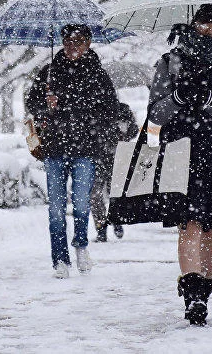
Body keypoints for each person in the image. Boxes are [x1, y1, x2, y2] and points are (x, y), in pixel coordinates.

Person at [147, 3, 212, 326]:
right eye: (204, 25)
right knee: (188, 222)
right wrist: (179, 97)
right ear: (194, 25)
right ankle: (192, 294)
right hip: (181, 151)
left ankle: (203, 292)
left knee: (211, 225)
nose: (210, 31)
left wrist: (210, 102)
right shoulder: (171, 62)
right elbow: (155, 113)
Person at [25, 24, 119, 279]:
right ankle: (59, 258)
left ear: (88, 43)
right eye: (67, 41)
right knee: (55, 208)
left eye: (78, 41)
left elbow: (111, 110)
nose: (72, 46)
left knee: (80, 204)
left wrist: (80, 112)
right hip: (54, 149)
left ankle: (81, 246)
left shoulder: (98, 75)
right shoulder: (49, 72)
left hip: (85, 149)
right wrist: (46, 105)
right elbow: (32, 104)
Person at [91, 102, 139, 242]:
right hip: (97, 157)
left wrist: (123, 131)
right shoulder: (92, 108)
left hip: (115, 157)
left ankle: (115, 221)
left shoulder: (122, 108)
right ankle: (101, 228)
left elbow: (134, 129)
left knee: (113, 192)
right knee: (96, 195)